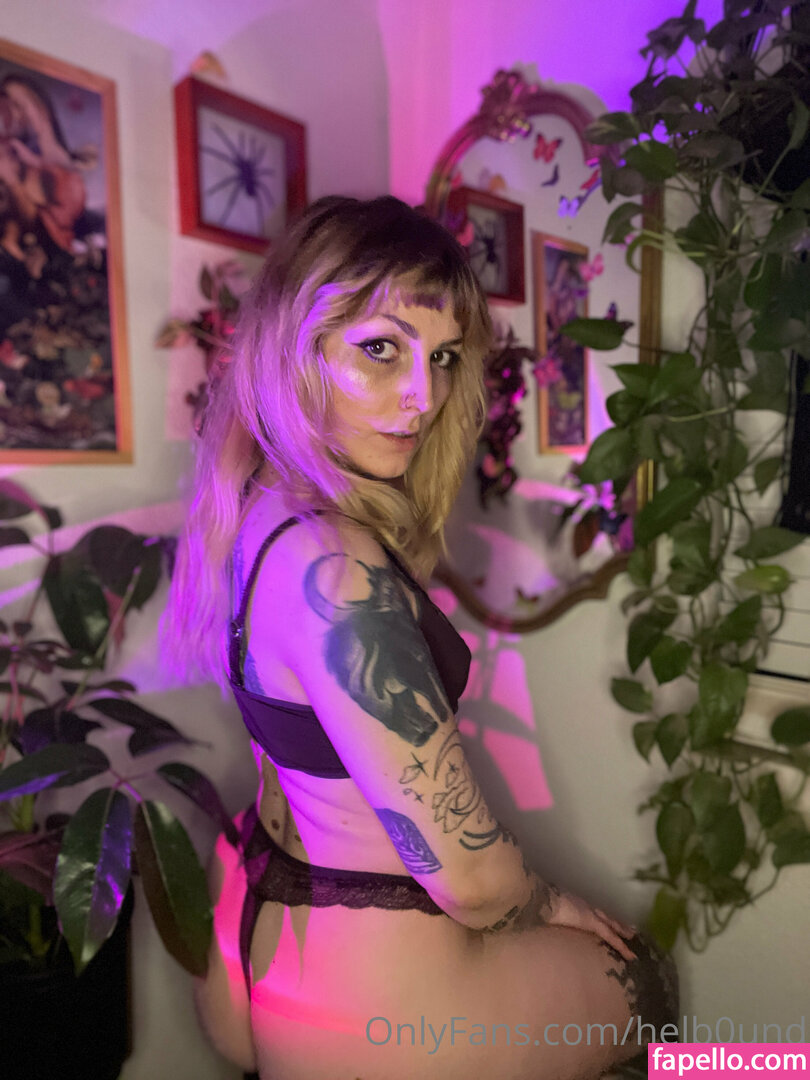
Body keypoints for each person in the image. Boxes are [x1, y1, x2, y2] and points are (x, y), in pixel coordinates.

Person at [165, 195, 677, 1080]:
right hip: (372, 1006)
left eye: (441, 358)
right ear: (293, 351)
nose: (425, 397)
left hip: (263, 936)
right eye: (381, 350)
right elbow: (472, 882)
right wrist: (550, 901)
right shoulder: (336, 566)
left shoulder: (255, 503)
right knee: (653, 984)